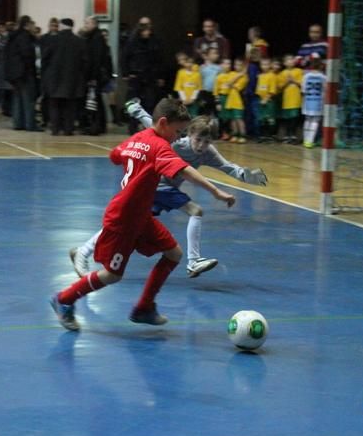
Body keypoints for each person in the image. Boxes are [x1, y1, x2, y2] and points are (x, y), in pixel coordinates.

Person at [50, 99, 236, 331]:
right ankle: (64, 299)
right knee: (112, 275)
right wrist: (216, 191)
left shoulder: (138, 138)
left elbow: (115, 156)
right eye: (177, 132)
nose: (178, 138)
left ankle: (144, 307)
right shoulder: (160, 147)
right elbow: (185, 171)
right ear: (163, 123)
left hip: (140, 215)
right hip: (125, 218)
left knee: (174, 253)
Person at [70, 103, 267, 280]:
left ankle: (83, 250)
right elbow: (153, 125)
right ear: (189, 134)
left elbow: (228, 166)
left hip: (161, 191)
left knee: (126, 223)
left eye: (207, 142)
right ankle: (193, 261)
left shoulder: (208, 152)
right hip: (157, 186)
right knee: (196, 210)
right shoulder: (175, 142)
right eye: (198, 139)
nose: (201, 145)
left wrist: (248, 176)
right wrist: (137, 110)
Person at [41, 18, 87, 136]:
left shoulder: (52, 40)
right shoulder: (79, 41)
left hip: (54, 78)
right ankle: (68, 129)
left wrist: (45, 74)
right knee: (70, 106)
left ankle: (55, 129)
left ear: (61, 26)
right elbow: (84, 62)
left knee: (54, 104)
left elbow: (45, 58)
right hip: (72, 79)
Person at [121, 23, 164, 134]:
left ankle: (147, 127)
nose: (147, 33)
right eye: (145, 30)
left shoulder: (153, 43)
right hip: (136, 76)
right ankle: (133, 127)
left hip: (149, 77)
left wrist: (159, 76)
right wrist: (126, 73)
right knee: (133, 103)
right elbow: (125, 58)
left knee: (149, 103)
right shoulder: (132, 43)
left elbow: (158, 60)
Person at [3, 16, 37, 131]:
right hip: (24, 72)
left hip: (14, 73)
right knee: (28, 99)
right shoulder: (25, 37)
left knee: (17, 98)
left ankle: (18, 123)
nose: (33, 26)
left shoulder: (13, 36)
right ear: (27, 25)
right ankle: (30, 124)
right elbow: (27, 54)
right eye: (31, 24)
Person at [82, 16, 111, 135]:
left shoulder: (96, 38)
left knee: (94, 102)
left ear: (94, 24)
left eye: (87, 23)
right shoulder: (94, 37)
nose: (85, 25)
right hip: (95, 75)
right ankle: (99, 125)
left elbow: (96, 59)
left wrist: (92, 77)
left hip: (95, 76)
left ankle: (96, 126)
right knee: (96, 100)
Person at [215, 58, 248, 143]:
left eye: (240, 65)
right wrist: (239, 75)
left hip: (238, 101)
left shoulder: (245, 77)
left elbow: (232, 84)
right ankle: (235, 134)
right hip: (230, 101)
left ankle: (242, 135)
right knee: (232, 120)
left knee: (239, 119)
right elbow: (228, 82)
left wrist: (241, 75)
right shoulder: (233, 74)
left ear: (243, 67)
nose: (237, 67)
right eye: (236, 65)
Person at [278, 54, 303, 144]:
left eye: (292, 59)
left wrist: (293, 80)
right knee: (287, 118)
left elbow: (302, 83)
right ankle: (287, 135)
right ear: (284, 63)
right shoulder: (282, 73)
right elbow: (279, 87)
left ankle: (293, 135)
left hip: (296, 100)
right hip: (287, 101)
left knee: (294, 118)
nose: (290, 61)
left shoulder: (299, 71)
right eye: (288, 60)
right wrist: (287, 82)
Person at [302, 58, 327, 148]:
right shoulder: (323, 77)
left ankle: (305, 140)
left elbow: (303, 90)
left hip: (307, 102)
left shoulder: (306, 76)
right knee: (315, 121)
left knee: (307, 120)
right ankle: (310, 141)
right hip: (318, 103)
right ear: (320, 66)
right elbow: (326, 89)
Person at [255, 57, 278, 142]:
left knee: (270, 119)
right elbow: (258, 89)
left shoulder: (272, 76)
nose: (265, 66)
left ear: (270, 65)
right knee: (262, 119)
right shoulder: (260, 76)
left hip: (269, 101)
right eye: (263, 64)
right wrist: (261, 99)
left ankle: (270, 136)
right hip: (261, 100)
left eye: (267, 64)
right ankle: (263, 136)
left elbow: (272, 90)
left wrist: (266, 99)